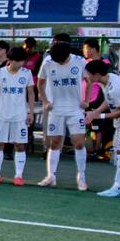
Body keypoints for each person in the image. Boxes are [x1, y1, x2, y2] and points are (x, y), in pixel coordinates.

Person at [84, 58, 120, 198]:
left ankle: (117, 186)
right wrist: (95, 112)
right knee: (118, 154)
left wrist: (100, 116)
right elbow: (108, 100)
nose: (86, 77)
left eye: (88, 74)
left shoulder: (116, 87)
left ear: (97, 74)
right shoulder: (108, 81)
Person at [36, 41, 89, 190]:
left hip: (75, 109)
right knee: (55, 142)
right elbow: (40, 83)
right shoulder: (48, 62)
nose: (57, 62)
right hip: (56, 109)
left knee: (78, 142)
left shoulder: (79, 61)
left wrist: (86, 100)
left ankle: (81, 176)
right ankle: (51, 176)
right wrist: (46, 101)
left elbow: (89, 80)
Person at [0, 46, 34, 185]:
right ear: (10, 60)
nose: (21, 64)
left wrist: (30, 112)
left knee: (19, 145)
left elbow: (31, 93)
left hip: (20, 116)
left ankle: (18, 176)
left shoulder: (27, 73)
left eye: (23, 61)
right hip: (1, 115)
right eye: (18, 61)